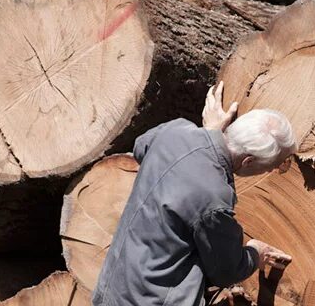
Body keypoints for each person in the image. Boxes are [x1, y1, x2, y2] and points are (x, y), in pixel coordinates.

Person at [92, 81, 297, 306]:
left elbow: (141, 148)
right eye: (276, 165)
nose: (272, 171)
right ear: (248, 161)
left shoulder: (175, 130)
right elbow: (226, 270)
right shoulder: (214, 198)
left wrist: (207, 135)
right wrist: (255, 254)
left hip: (113, 287)